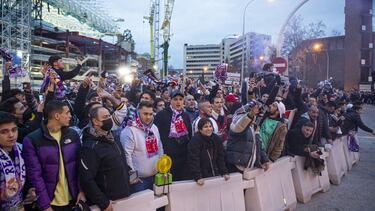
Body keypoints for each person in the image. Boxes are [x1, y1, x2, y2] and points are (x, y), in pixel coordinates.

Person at [23, 100, 84, 211]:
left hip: (74, 198)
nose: (70, 116)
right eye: (67, 113)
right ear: (57, 116)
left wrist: (81, 190)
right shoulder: (32, 140)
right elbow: (35, 176)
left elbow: (80, 166)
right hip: (51, 203)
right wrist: (45, 205)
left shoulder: (73, 135)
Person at [79, 106, 131, 211]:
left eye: (109, 116)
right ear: (95, 121)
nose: (109, 119)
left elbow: (119, 160)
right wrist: (103, 202)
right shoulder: (90, 147)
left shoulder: (113, 137)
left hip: (124, 196)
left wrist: (129, 173)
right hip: (109, 202)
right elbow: (87, 179)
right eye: (105, 117)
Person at [121, 101, 164, 193]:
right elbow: (126, 155)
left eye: (151, 114)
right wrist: (133, 177)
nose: (148, 117)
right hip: (139, 181)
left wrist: (162, 168)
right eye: (145, 114)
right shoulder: (129, 130)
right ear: (138, 112)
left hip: (156, 176)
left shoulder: (154, 127)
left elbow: (159, 147)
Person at [0, 111, 37, 210]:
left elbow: (27, 175)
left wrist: (29, 190)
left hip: (21, 204)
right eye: (4, 132)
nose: (11, 135)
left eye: (14, 130)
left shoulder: (21, 149)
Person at [154, 90, 192, 181]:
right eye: (175, 99)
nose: (178, 102)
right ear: (170, 100)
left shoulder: (185, 115)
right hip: (167, 157)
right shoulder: (161, 115)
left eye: (180, 99)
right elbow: (156, 134)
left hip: (183, 156)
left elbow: (189, 134)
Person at [226, 101, 271, 173]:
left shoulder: (253, 126)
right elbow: (240, 125)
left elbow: (258, 143)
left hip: (248, 167)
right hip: (236, 167)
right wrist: (250, 115)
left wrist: (265, 159)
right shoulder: (235, 123)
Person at [187, 118, 229, 185]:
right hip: (202, 176)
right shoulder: (195, 141)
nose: (209, 129)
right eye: (205, 127)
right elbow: (194, 160)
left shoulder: (216, 139)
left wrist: (224, 172)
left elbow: (220, 157)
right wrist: (198, 177)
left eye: (210, 126)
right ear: (200, 129)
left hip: (215, 174)